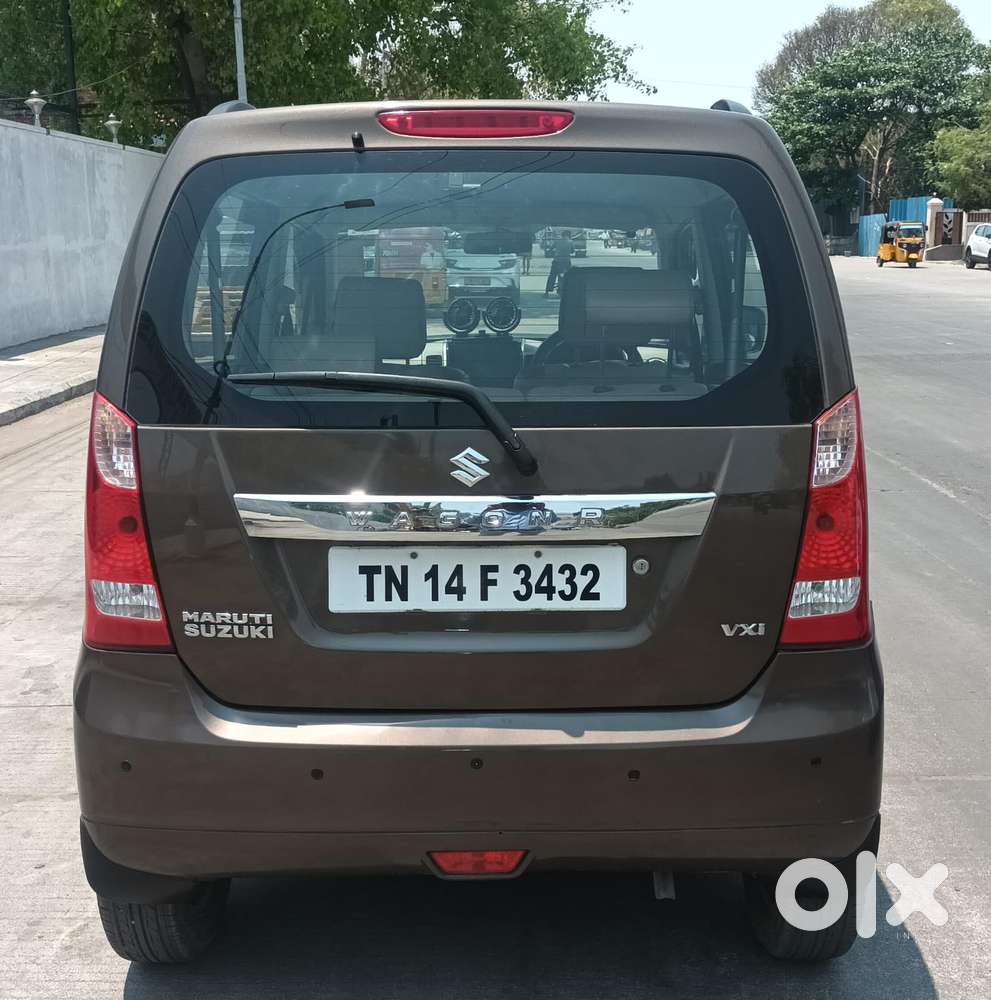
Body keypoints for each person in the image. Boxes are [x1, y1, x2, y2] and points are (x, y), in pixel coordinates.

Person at [544, 229, 573, 295]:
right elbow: (572, 251)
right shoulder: (570, 242)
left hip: (556, 261)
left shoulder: (557, 241)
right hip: (566, 262)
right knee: (564, 277)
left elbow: (551, 249)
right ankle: (561, 291)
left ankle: (547, 291)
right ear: (568, 235)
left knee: (552, 276)